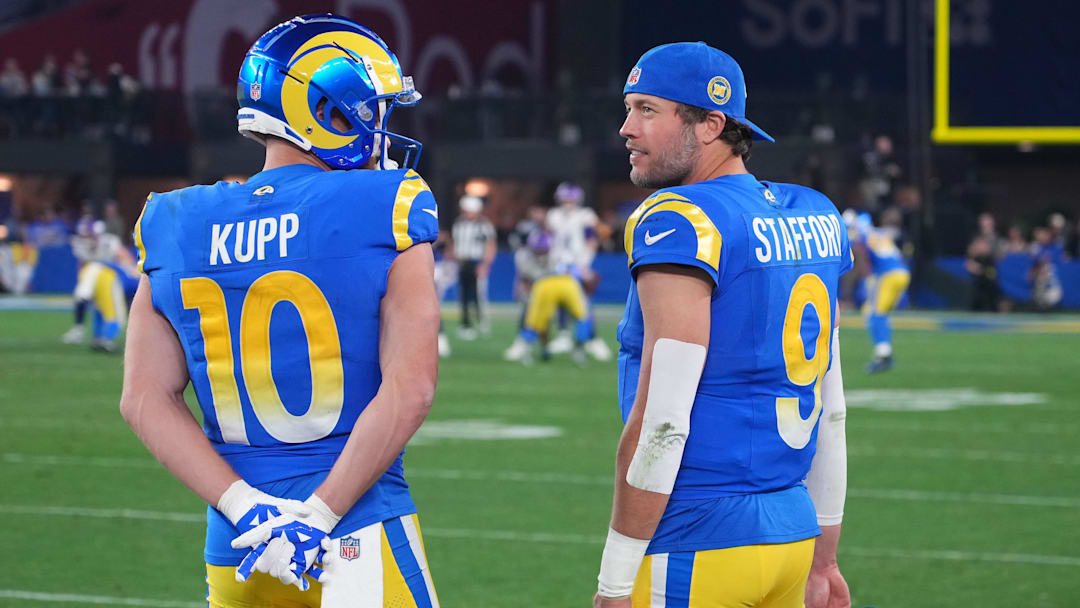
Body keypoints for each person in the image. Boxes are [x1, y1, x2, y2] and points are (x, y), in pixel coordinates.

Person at [119, 15, 441, 606]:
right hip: (353, 533)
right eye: (375, 111)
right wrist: (316, 515)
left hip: (241, 547)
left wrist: (247, 508)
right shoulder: (385, 203)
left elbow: (143, 399)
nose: (382, 129)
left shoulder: (174, 222)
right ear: (331, 112)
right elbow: (411, 388)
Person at [594, 42, 851, 608]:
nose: (626, 129)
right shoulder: (815, 213)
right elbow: (831, 409)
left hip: (698, 539)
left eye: (647, 110)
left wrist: (614, 584)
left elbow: (663, 420)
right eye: (629, 109)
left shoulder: (681, 220)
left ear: (711, 125)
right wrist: (825, 558)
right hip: (792, 535)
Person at [545, 181, 612, 361]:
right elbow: (550, 241)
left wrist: (584, 264)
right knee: (560, 300)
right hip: (558, 264)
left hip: (578, 264)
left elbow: (596, 237)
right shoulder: (553, 215)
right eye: (565, 199)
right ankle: (563, 335)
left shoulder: (585, 215)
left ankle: (592, 338)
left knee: (583, 303)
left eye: (570, 199)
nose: (568, 202)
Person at [847, 208, 909, 373]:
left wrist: (867, 276)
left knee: (873, 313)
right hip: (902, 272)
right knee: (880, 313)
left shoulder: (858, 233)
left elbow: (860, 256)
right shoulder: (878, 232)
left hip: (887, 274)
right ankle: (884, 351)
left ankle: (883, 356)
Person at [62, 219, 138, 351]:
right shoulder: (82, 247)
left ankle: (97, 337)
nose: (88, 238)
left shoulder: (109, 242)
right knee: (115, 313)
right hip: (108, 278)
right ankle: (105, 338)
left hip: (108, 276)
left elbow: (125, 259)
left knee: (101, 308)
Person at [450, 194, 496, 340]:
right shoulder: (459, 224)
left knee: (478, 295)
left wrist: (485, 264)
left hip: (477, 262)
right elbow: (454, 243)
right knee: (463, 295)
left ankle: (482, 321)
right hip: (463, 262)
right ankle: (465, 324)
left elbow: (490, 245)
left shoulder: (484, 225)